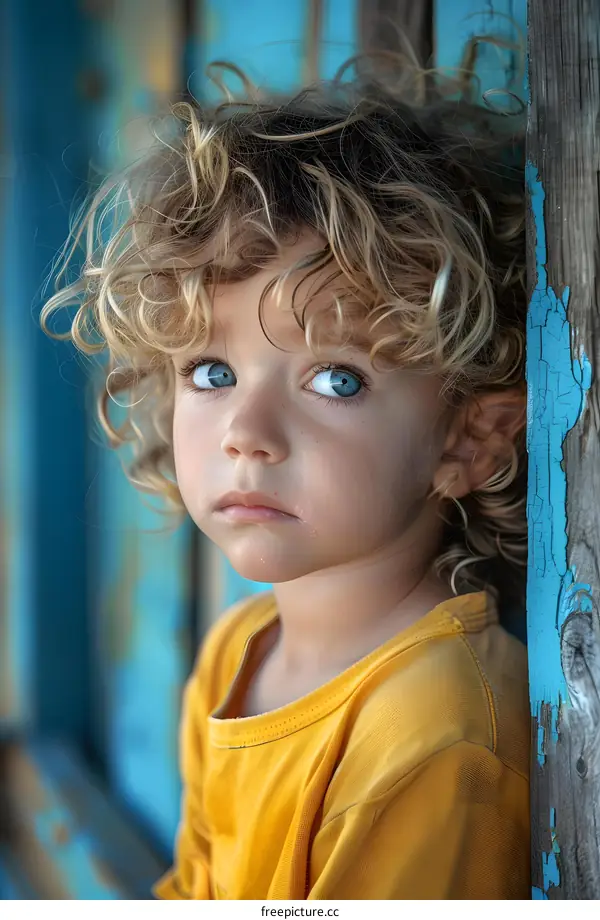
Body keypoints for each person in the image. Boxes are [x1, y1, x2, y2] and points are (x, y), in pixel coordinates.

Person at [41, 52, 530, 899]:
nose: (247, 435)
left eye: (337, 380)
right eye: (211, 372)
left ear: (468, 440)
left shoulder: (435, 730)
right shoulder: (240, 649)